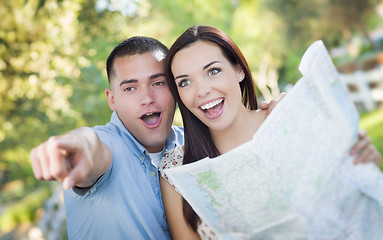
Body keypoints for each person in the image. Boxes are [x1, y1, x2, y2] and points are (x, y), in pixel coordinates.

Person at [30, 35, 281, 239]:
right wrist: (77, 147)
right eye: (130, 88)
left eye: (158, 83)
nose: (147, 98)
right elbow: (92, 146)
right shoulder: (108, 145)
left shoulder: (189, 144)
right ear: (112, 99)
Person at [159, 25, 382, 239]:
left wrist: (365, 163)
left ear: (239, 70)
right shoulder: (177, 171)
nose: (202, 91)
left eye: (213, 71)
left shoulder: (292, 121)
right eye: (185, 82)